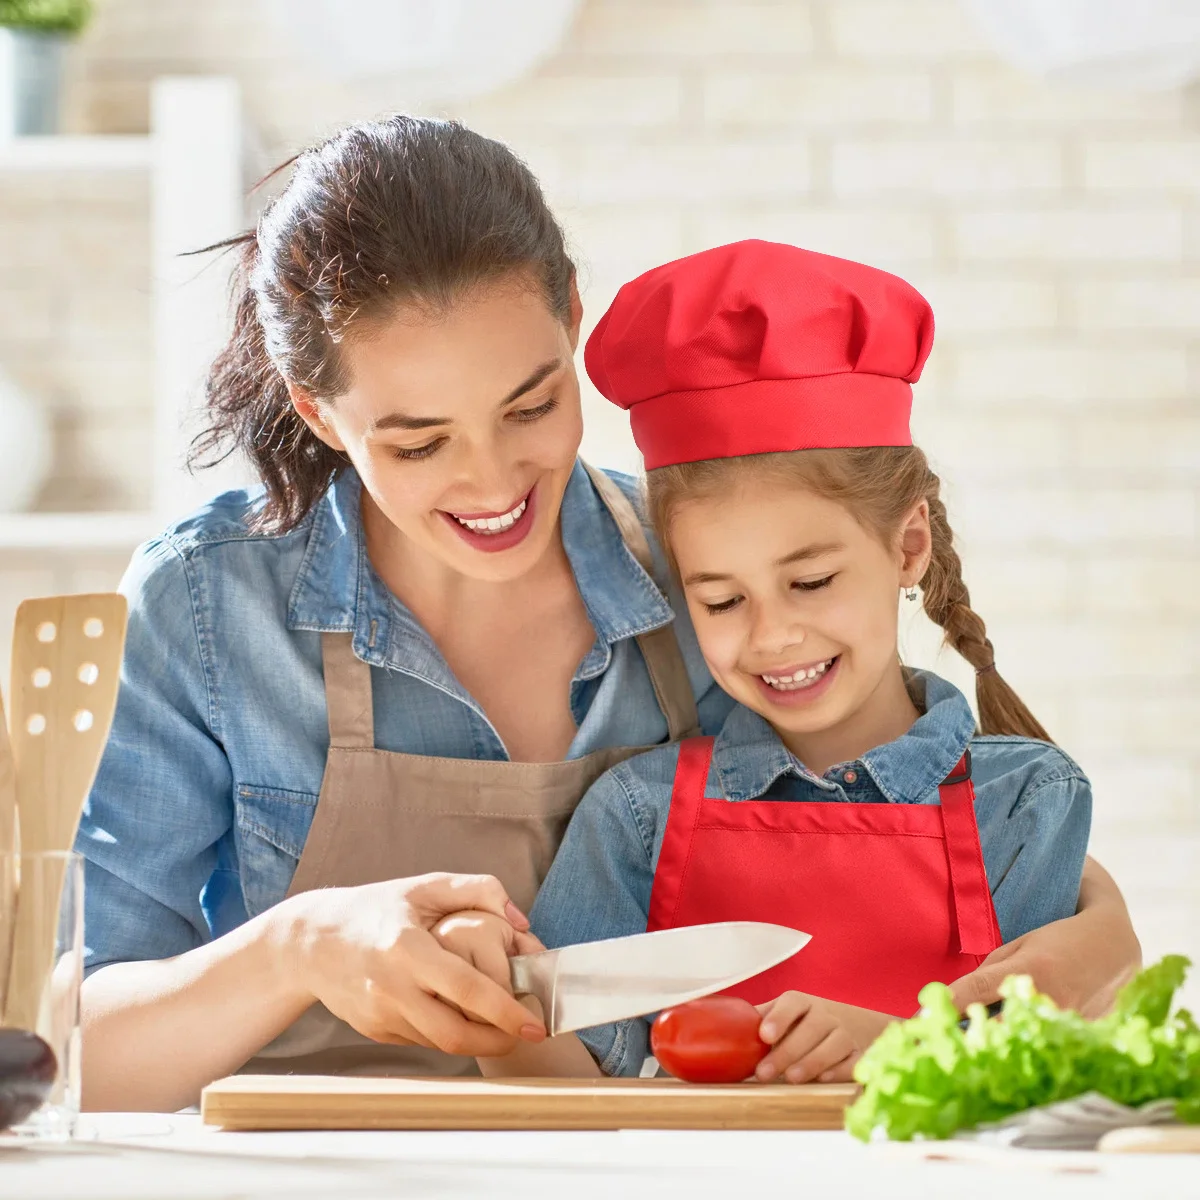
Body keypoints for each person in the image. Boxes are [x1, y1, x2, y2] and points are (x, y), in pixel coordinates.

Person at [75, 115, 1135, 1112]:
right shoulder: (209, 605)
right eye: (418, 442)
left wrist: (1097, 930)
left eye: (532, 405)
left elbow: (891, 819)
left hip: (614, 1155)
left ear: (573, 319)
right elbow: (75, 1053)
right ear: (321, 413)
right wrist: (297, 945)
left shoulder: (704, 577)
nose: (494, 481)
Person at [432, 241, 1119, 1084]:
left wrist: (893, 1050)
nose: (773, 636)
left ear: (908, 545)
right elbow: (570, 1086)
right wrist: (490, 1001)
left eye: (811, 581)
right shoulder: (637, 816)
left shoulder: (1027, 802)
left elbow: (1040, 1075)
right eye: (721, 601)